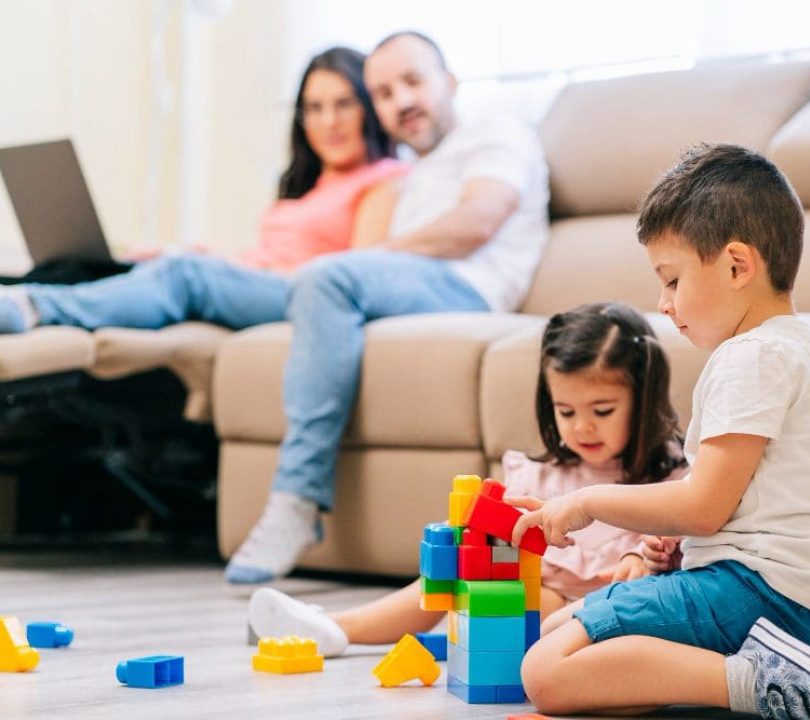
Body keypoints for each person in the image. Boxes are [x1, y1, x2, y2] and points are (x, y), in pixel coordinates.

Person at [508, 144, 810, 719]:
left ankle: (764, 683)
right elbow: (739, 504)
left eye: (673, 279)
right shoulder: (792, 348)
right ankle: (756, 679)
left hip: (756, 595)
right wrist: (680, 545)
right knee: (562, 630)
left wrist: (586, 502)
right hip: (785, 599)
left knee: (545, 671)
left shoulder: (751, 358)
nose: (664, 302)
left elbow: (702, 507)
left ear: (736, 265)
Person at [223, 31, 550, 584]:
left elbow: (477, 222)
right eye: (382, 92)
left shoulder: (495, 133)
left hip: (463, 289)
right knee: (231, 281)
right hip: (408, 290)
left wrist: (367, 259)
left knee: (327, 277)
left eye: (413, 82)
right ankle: (49, 304)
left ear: (448, 82)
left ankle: (297, 499)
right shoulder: (417, 168)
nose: (400, 101)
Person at [245, 302, 687, 656]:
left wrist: (647, 559)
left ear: (644, 399)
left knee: (525, 610)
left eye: (602, 411)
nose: (582, 428)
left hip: (607, 614)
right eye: (565, 411)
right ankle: (336, 628)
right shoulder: (540, 473)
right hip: (542, 594)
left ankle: (337, 629)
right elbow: (494, 538)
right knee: (454, 577)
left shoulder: (673, 478)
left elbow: (681, 547)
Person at [0, 46, 405, 333]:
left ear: (368, 107)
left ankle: (33, 307)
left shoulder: (384, 178)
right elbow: (265, 257)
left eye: (343, 104)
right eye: (314, 108)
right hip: (257, 283)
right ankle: (19, 294)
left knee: (185, 275)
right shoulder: (309, 186)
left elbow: (354, 276)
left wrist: (229, 271)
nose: (328, 121)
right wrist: (217, 259)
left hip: (302, 296)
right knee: (104, 265)